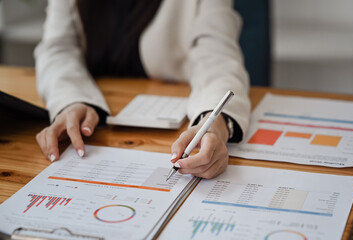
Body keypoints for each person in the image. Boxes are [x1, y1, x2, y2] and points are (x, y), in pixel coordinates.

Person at [35, 0, 251, 179]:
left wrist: (214, 122)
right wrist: (71, 99)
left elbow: (217, 55)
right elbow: (58, 47)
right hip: (103, 117)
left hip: (168, 115)